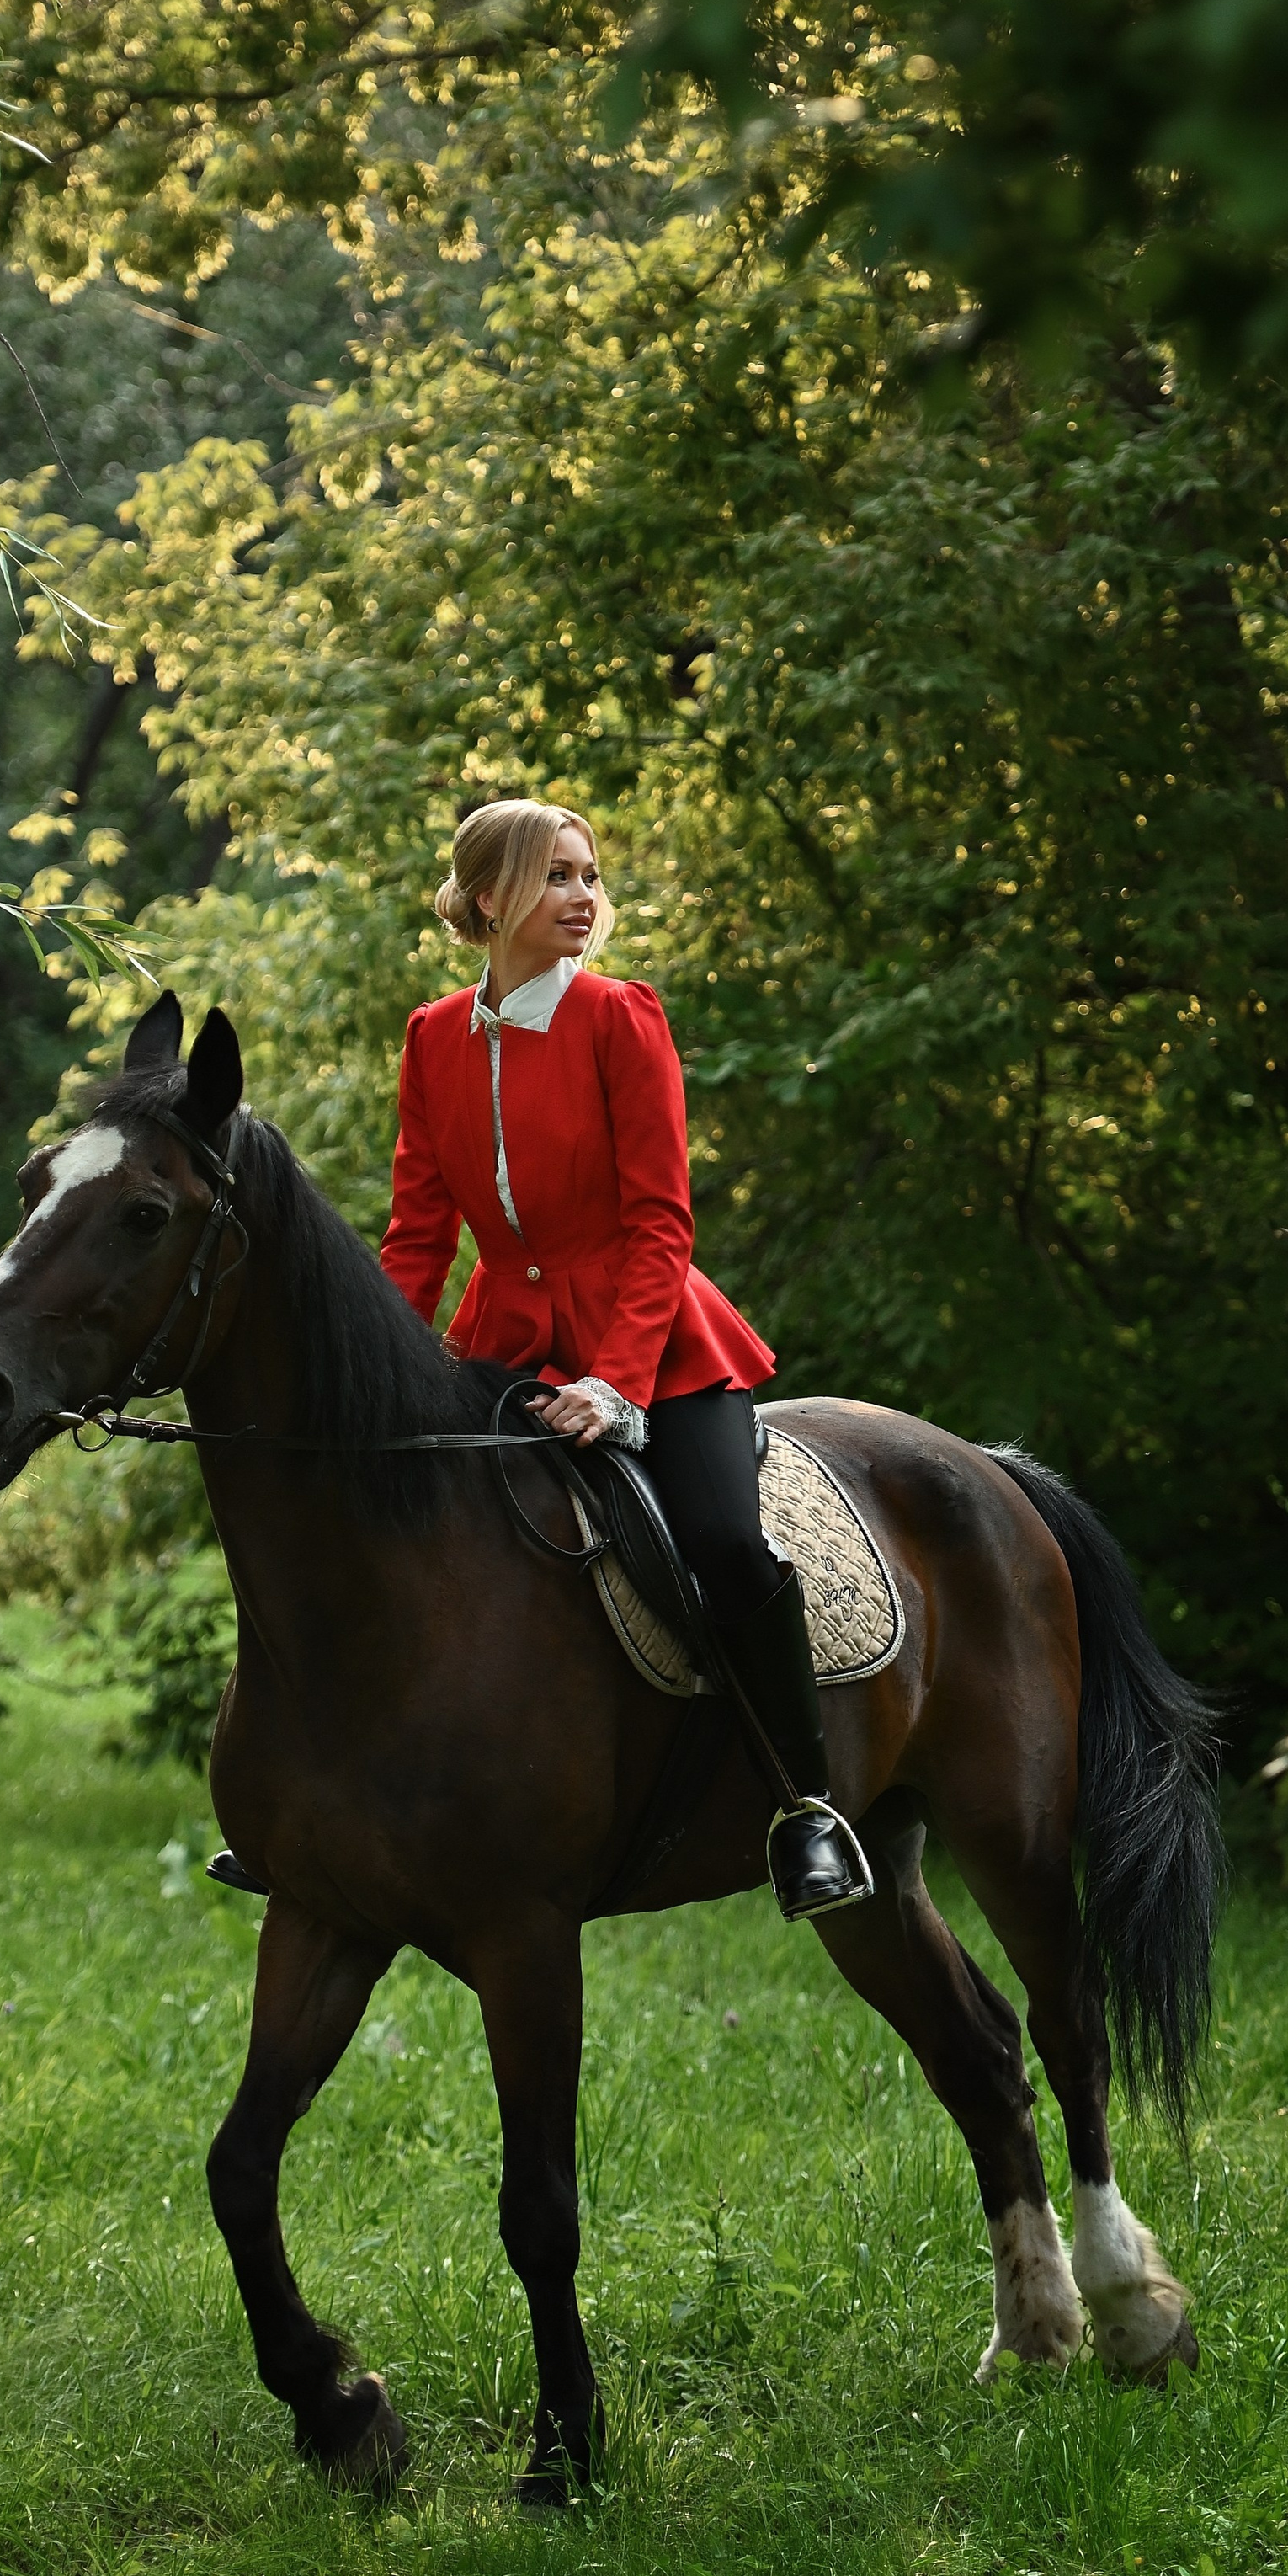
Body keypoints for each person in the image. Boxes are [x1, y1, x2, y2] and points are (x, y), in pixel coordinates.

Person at [380, 799, 875, 1922]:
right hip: (500, 1343)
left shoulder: (621, 1019)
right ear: (491, 896)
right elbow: (419, 1235)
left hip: (659, 1343)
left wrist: (614, 1381)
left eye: (592, 875)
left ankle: (809, 1813)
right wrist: (386, 1376)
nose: (585, 896)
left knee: (722, 1544)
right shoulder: (431, 1037)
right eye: (556, 875)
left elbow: (661, 1226)